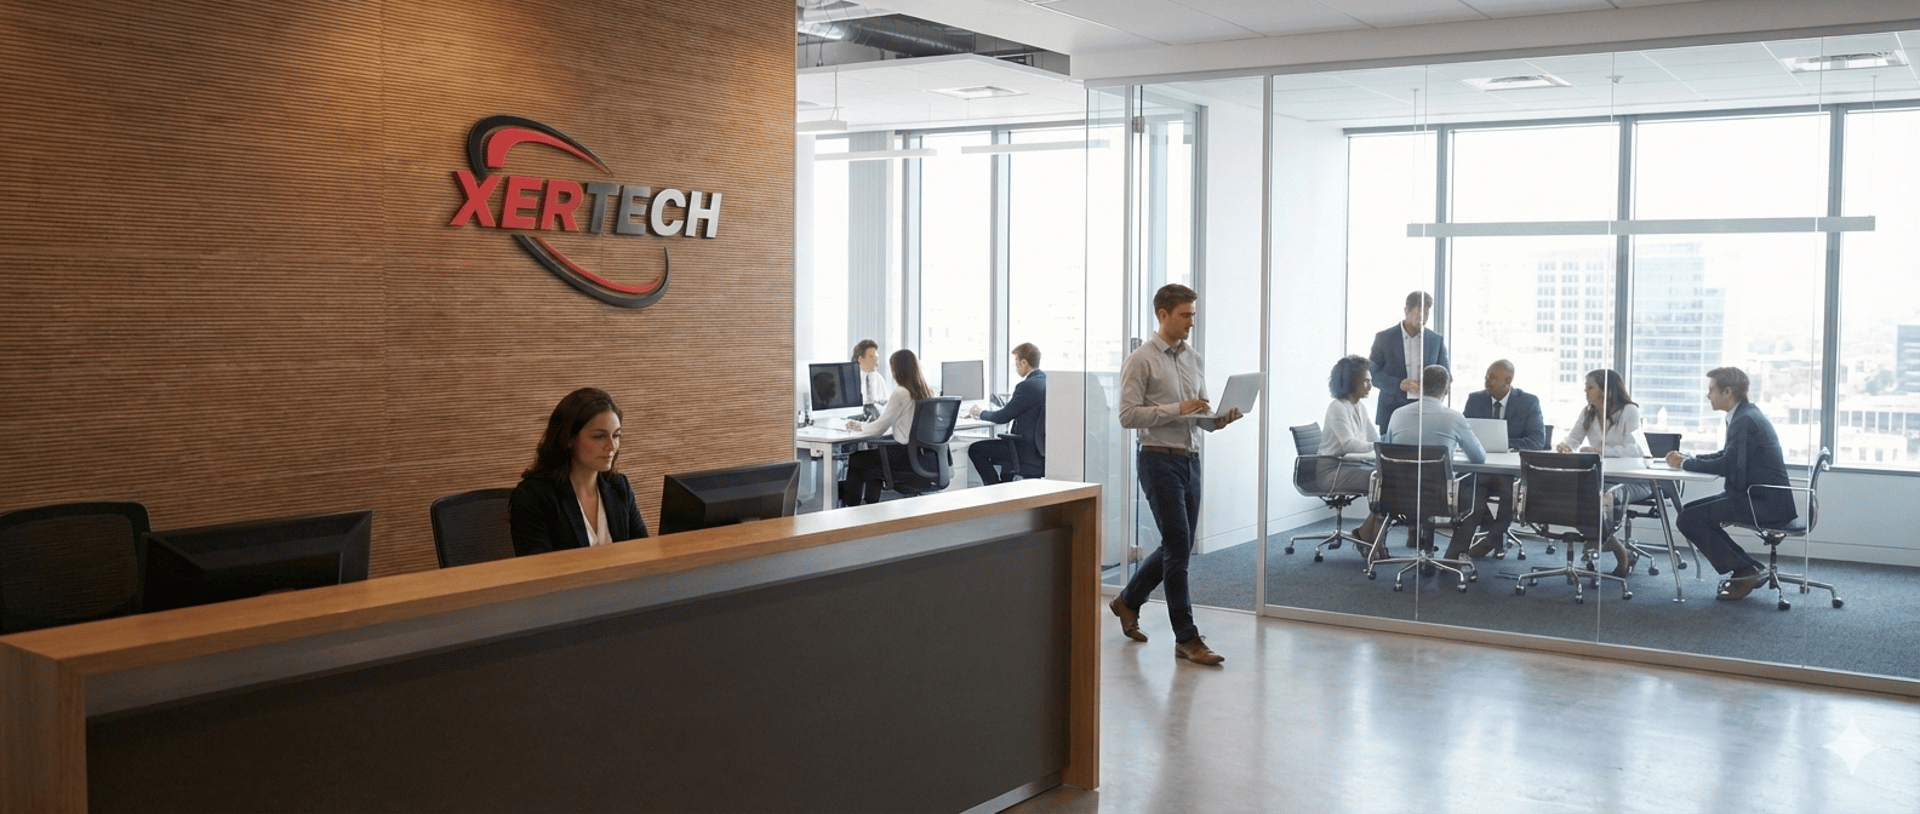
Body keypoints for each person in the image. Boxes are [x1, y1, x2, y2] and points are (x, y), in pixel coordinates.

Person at [1109, 284, 1241, 667]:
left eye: (1193, 315)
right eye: (1185, 315)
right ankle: (1187, 638)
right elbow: (1127, 416)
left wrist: (1218, 420)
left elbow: (1198, 415)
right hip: (1157, 459)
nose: (1191, 322)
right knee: (1179, 545)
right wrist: (1176, 408)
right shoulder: (1141, 360)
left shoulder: (1193, 358)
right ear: (1162, 315)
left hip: (1190, 459)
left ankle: (1128, 600)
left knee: (1176, 544)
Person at [1665, 367, 1797, 601]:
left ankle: (1745, 571)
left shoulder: (1744, 419)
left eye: (1711, 390)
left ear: (1727, 391)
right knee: (1688, 513)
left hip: (1763, 502)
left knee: (1689, 519)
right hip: (1759, 496)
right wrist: (1689, 459)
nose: (1708, 396)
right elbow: (1729, 455)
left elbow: (1727, 465)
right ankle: (1749, 568)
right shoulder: (1744, 414)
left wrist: (1684, 464)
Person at [510, 387, 649, 556]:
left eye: (616, 435)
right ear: (569, 438)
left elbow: (643, 552)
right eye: (599, 436)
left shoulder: (619, 486)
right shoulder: (534, 496)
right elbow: (538, 571)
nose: (612, 446)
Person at [1384, 365, 1485, 556]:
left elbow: (1388, 450)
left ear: (1421, 386)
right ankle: (1452, 557)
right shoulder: (1453, 417)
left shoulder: (1397, 414)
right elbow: (1479, 459)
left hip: (1399, 494)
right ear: (1446, 391)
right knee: (1477, 498)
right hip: (1440, 497)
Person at [1553, 368, 1646, 577]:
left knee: (1601, 497)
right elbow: (1574, 438)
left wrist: (1599, 451)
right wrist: (1566, 446)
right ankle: (1618, 548)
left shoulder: (1629, 411)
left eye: (1590, 387)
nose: (1585, 391)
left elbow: (1635, 449)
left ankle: (1604, 544)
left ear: (1605, 390)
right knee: (1575, 496)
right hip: (1600, 479)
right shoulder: (1588, 412)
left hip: (1632, 481)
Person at [1458, 360, 1547, 559]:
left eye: (1491, 376)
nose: (1486, 380)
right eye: (1486, 375)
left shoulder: (1528, 402)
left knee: (1507, 486)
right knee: (1469, 487)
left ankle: (1493, 537)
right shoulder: (1475, 400)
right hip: (1480, 468)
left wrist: (1504, 443)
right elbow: (1464, 435)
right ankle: (1492, 531)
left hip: (1510, 472)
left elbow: (1537, 441)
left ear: (1508, 381)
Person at [838, 349, 932, 507]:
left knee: (857, 458)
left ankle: (851, 509)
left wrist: (858, 426)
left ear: (897, 370)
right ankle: (870, 505)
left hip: (904, 457)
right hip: (921, 457)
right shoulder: (927, 392)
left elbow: (878, 429)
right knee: (872, 462)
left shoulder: (901, 393)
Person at [1318, 354, 1385, 550]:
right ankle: (1372, 541)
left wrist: (1385, 444)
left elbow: (1374, 439)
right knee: (1385, 482)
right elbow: (1349, 444)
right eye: (1365, 381)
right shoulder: (1337, 407)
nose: (1370, 386)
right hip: (1331, 470)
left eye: (1370, 381)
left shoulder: (1359, 406)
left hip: (1352, 465)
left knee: (1388, 480)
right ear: (1351, 381)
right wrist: (1380, 448)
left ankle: (1367, 535)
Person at [1369, 290, 1449, 437]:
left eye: (1426, 315)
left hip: (1426, 410)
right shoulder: (1384, 338)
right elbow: (1372, 374)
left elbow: (1446, 375)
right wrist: (1399, 384)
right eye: (1419, 314)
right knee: (1390, 455)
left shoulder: (1435, 340)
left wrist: (1433, 388)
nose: (1423, 319)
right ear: (1406, 311)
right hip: (1391, 410)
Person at [967, 342, 1046, 485]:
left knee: (975, 449)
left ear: (1023, 362)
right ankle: (1004, 490)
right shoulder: (1045, 381)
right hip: (1038, 450)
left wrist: (980, 413)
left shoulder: (1026, 386)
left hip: (1023, 449)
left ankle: (994, 489)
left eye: (1016, 363)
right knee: (1002, 454)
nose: (1016, 367)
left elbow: (1002, 417)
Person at [852, 339, 889, 407]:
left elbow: (885, 401)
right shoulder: (852, 379)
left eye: (876, 356)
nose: (875, 359)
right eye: (871, 356)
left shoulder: (879, 378)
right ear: (860, 359)